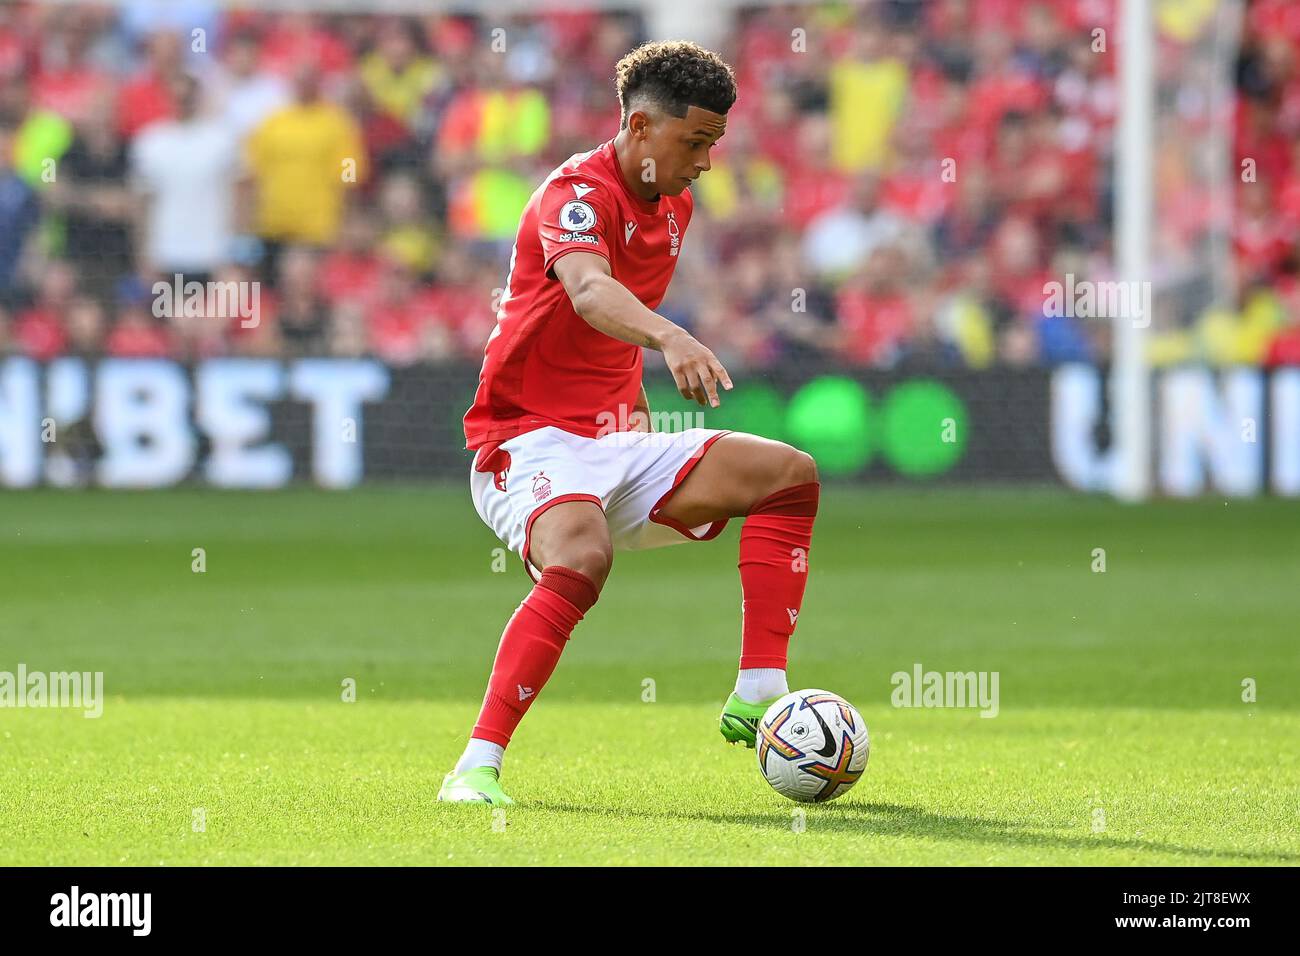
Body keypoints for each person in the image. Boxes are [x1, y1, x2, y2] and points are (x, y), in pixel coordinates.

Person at [441, 40, 821, 806]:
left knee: (789, 476)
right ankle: (474, 768)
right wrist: (671, 335)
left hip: (618, 441)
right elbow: (587, 292)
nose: (706, 162)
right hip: (525, 437)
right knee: (580, 560)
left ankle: (759, 687)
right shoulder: (573, 195)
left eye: (715, 143)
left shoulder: (674, 201)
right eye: (695, 141)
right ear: (641, 127)